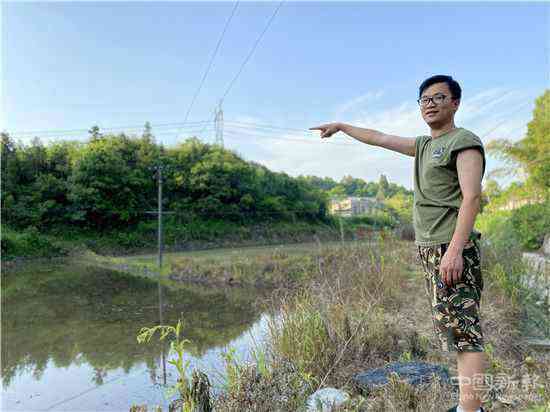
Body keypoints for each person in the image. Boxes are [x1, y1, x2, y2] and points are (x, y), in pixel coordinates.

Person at [309, 74, 487, 412]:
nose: (430, 104)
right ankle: (468, 406)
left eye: (438, 98)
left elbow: (472, 198)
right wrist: (342, 126)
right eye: (425, 100)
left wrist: (454, 251)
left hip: (451, 247)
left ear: (455, 103)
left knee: (467, 334)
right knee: (456, 333)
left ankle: (472, 409)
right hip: (432, 249)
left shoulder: (463, 141)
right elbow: (378, 137)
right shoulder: (423, 146)